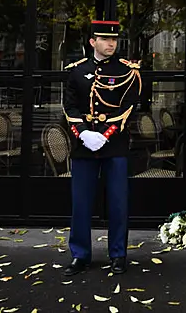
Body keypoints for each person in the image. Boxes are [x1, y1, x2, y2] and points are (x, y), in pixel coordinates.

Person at [62, 20, 142, 276]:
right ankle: (80, 254)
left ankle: (118, 254)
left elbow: (129, 106)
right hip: (84, 145)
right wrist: (83, 133)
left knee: (118, 202)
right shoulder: (77, 70)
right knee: (81, 203)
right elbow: (70, 106)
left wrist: (105, 134)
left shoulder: (126, 71)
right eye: (105, 39)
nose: (111, 44)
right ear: (92, 42)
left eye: (114, 40)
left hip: (114, 144)